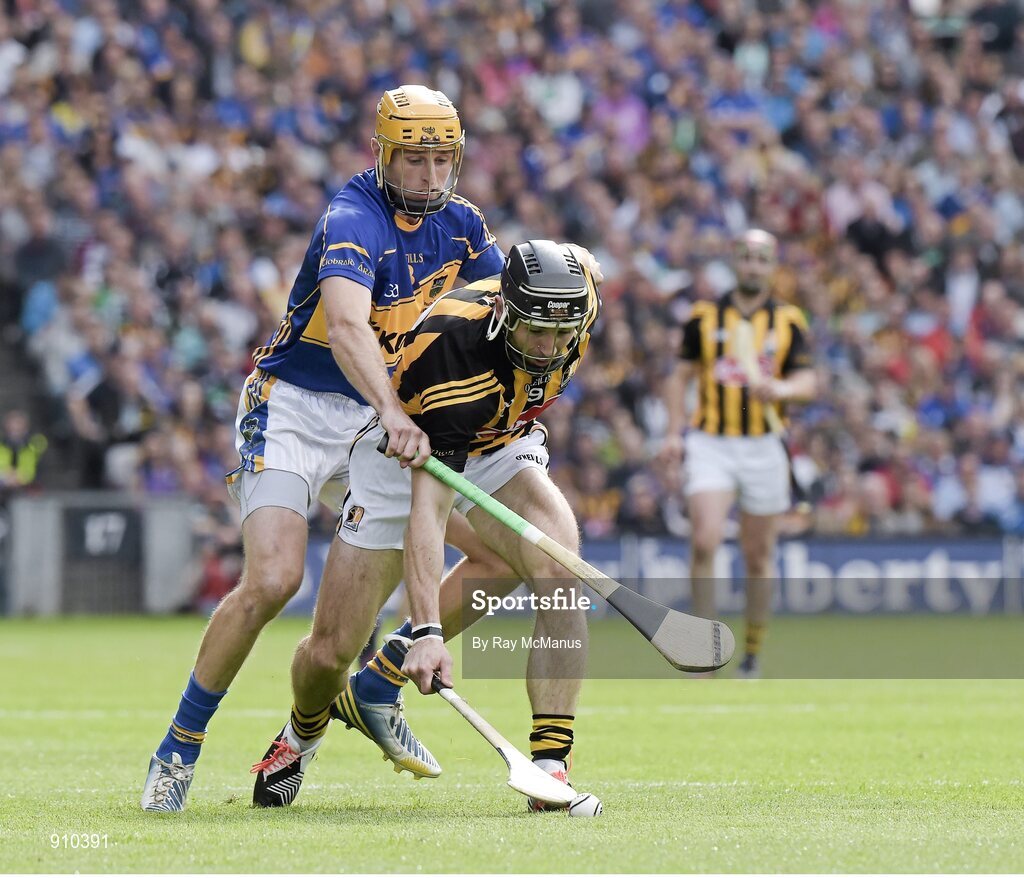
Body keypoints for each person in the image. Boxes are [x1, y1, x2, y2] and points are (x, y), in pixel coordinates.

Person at [142, 85, 511, 812]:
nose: (432, 176)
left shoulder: (465, 226)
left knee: (498, 557)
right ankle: (179, 747)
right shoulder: (352, 217)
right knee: (275, 578)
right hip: (296, 411)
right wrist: (391, 410)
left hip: (377, 425)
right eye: (415, 159)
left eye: (444, 160)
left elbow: (495, 310)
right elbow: (345, 329)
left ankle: (371, 688)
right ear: (381, 154)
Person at [250, 239, 600, 812]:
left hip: (502, 441)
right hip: (411, 451)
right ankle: (300, 737)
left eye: (564, 335)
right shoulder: (453, 361)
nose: (551, 348)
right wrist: (429, 633)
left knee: (561, 572)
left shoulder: (573, 303)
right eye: (537, 331)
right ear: (509, 312)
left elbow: (585, 266)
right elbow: (429, 516)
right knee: (331, 651)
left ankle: (550, 766)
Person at [662, 229, 816, 678]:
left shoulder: (789, 321)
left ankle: (750, 654)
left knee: (758, 554)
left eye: (762, 258)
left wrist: (782, 387)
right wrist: (674, 432)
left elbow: (808, 383)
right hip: (712, 441)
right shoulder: (704, 316)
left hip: (765, 445)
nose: (753, 265)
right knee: (706, 538)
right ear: (734, 262)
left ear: (772, 266)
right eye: (746, 257)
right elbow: (679, 377)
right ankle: (706, 649)